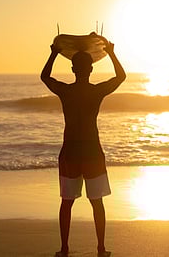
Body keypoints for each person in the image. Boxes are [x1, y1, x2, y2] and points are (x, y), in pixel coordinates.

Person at [41, 40, 126, 257]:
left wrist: (54, 54)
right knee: (97, 202)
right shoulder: (96, 91)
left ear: (72, 69)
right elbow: (121, 77)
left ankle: (64, 249)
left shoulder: (66, 91)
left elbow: (44, 77)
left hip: (70, 151)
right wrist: (112, 54)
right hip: (92, 151)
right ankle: (100, 249)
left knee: (67, 203)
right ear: (91, 69)